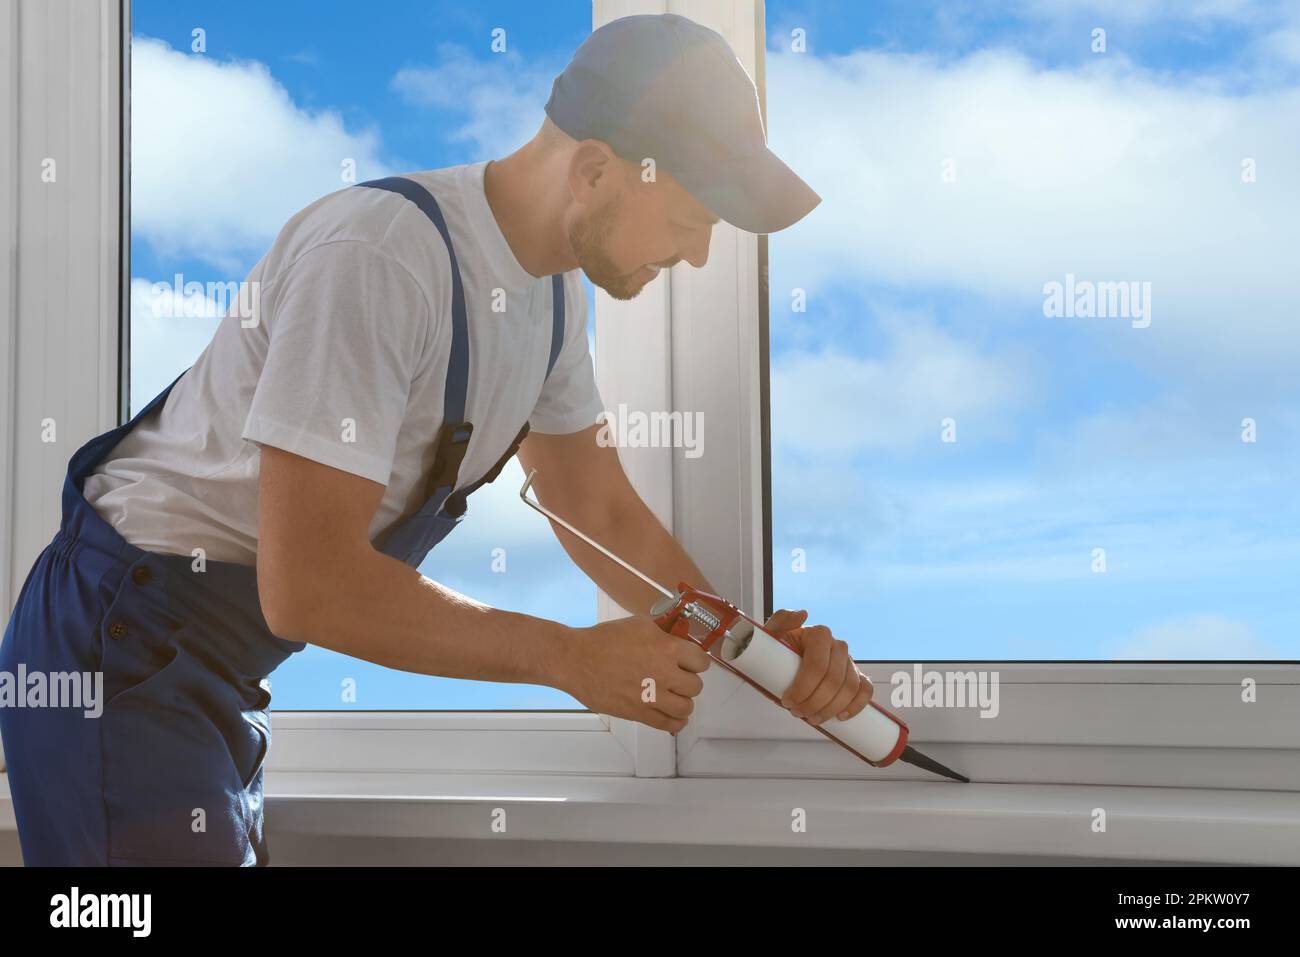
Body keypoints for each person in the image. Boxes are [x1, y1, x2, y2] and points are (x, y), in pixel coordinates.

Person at [0, 12, 871, 866]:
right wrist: (569, 658)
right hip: (116, 641)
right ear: (598, 170)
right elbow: (308, 586)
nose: (698, 256)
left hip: (213, 666)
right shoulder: (378, 259)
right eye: (689, 222)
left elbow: (593, 504)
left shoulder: (554, 299)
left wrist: (757, 653)